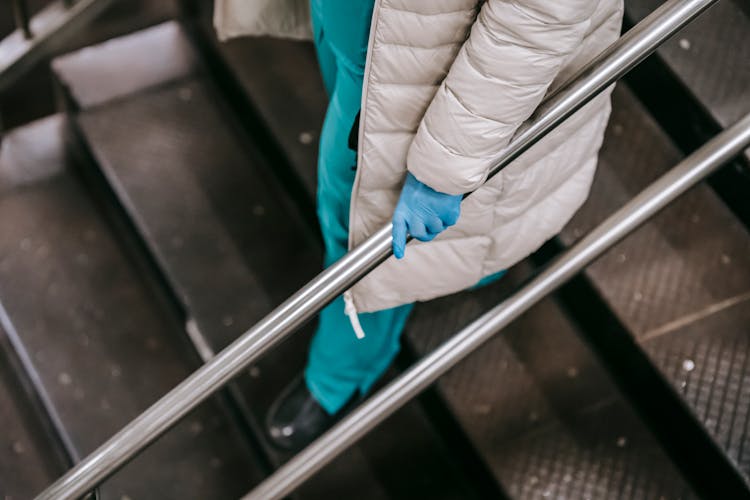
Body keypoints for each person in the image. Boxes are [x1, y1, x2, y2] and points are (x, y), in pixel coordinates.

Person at [215, 0, 624, 450]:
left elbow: (537, 16)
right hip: (373, 44)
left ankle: (340, 375)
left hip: (427, 70)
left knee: (359, 229)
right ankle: (472, 264)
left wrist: (446, 164)